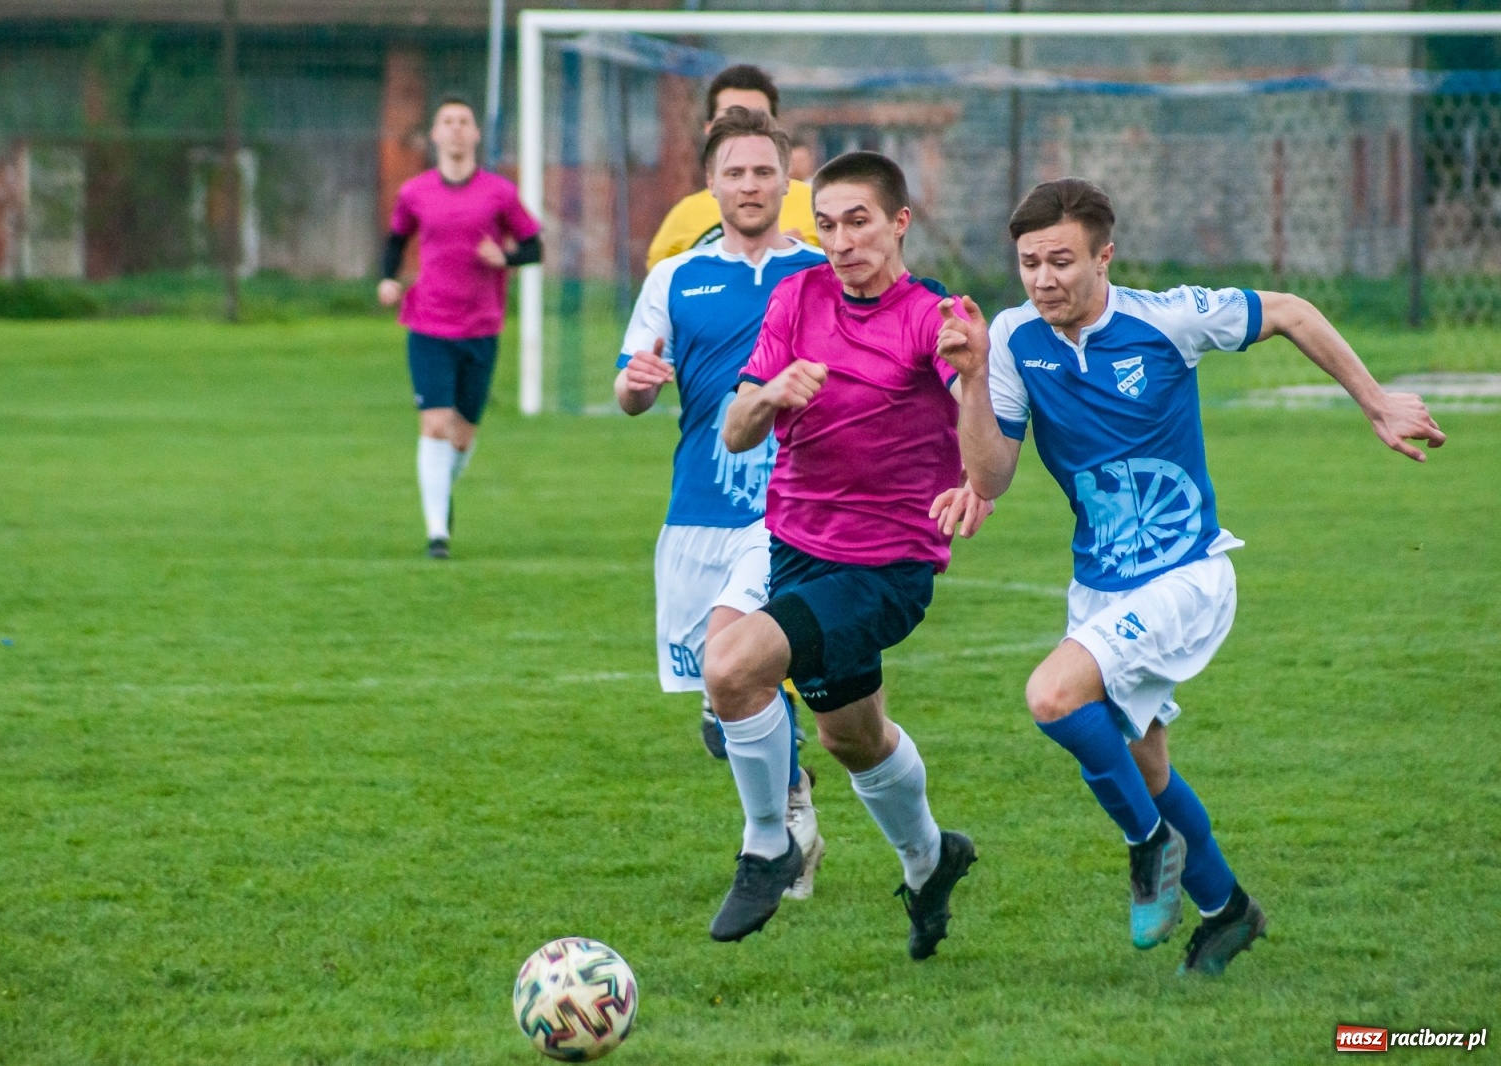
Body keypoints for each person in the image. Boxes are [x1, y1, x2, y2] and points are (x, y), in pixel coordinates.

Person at [934, 177, 1445, 975]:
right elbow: (991, 476)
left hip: (1187, 576)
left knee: (1052, 695)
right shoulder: (1011, 337)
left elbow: (1291, 311)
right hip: (1100, 585)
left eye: (1062, 261)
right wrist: (971, 379)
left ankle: (1149, 846)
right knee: (1145, 763)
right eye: (1030, 263)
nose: (1044, 280)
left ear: (1104, 257)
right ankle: (1228, 910)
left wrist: (1374, 401)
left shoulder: (1167, 318)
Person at [705, 151, 993, 956]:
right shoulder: (798, 297)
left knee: (729, 667)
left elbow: (988, 448)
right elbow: (735, 431)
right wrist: (771, 392)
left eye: (859, 222)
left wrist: (975, 380)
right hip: (797, 550)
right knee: (852, 738)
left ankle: (768, 845)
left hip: (885, 569)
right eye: (827, 224)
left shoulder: (932, 317)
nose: (841, 241)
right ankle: (930, 860)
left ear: (900, 222)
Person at [615, 108, 829, 901]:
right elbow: (631, 386)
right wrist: (636, 385)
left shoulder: (819, 274)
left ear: (786, 179)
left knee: (738, 659)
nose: (750, 185)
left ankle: (773, 837)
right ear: (710, 184)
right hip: (696, 511)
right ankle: (790, 798)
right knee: (721, 698)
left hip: (790, 512)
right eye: (734, 172)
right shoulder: (675, 278)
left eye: (764, 171)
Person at [379, 95, 542, 559]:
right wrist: (388, 279)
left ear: (475, 134)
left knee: (462, 435)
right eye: (447, 121)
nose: (455, 128)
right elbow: (396, 239)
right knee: (435, 424)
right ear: (434, 134)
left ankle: (440, 493)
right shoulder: (414, 192)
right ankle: (437, 534)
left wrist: (505, 257)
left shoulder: (499, 193)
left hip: (481, 327)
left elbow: (534, 247)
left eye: (463, 121)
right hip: (428, 324)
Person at [645, 64, 819, 271]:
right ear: (709, 129)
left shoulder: (818, 206)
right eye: (730, 119)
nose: (745, 129)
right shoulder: (683, 218)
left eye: (758, 119)